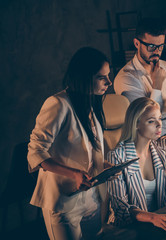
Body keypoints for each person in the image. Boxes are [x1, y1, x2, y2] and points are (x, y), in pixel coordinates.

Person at [27, 47, 113, 240]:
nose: (109, 82)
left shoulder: (90, 103)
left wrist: (104, 166)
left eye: (108, 76)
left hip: (92, 198)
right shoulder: (58, 104)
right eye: (102, 77)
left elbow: (88, 151)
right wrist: (73, 174)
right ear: (83, 77)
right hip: (63, 202)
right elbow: (35, 152)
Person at [107, 97, 166, 233]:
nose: (159, 124)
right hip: (129, 228)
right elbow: (121, 208)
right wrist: (152, 218)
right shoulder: (117, 156)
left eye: (160, 119)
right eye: (151, 121)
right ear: (136, 124)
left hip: (158, 223)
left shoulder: (161, 152)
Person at [113, 17, 166, 136]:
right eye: (151, 46)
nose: (157, 52)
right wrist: (157, 85)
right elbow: (146, 120)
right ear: (136, 43)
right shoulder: (126, 78)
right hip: (146, 142)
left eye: (161, 46)